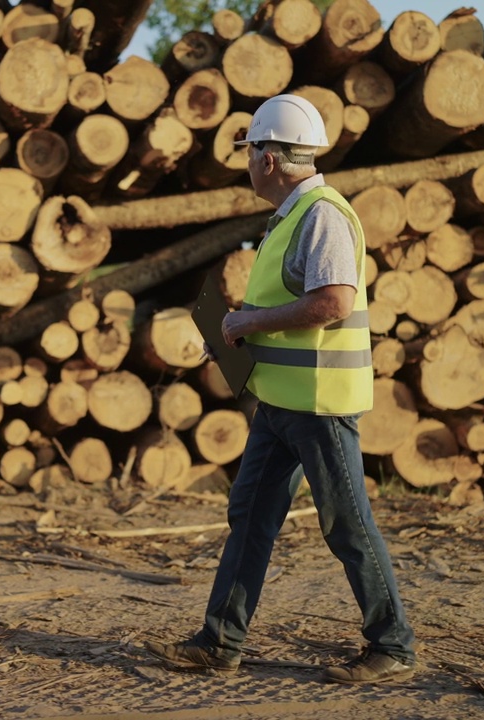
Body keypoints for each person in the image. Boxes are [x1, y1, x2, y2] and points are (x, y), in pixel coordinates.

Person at [145, 94, 417, 684]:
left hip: (319, 405)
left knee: (347, 523)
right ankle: (220, 642)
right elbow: (293, 303)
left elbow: (333, 302)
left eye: (249, 152)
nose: (246, 163)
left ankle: (392, 647)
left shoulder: (322, 214)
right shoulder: (294, 214)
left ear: (269, 158)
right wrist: (240, 330)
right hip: (281, 402)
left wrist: (245, 322)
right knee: (249, 513)